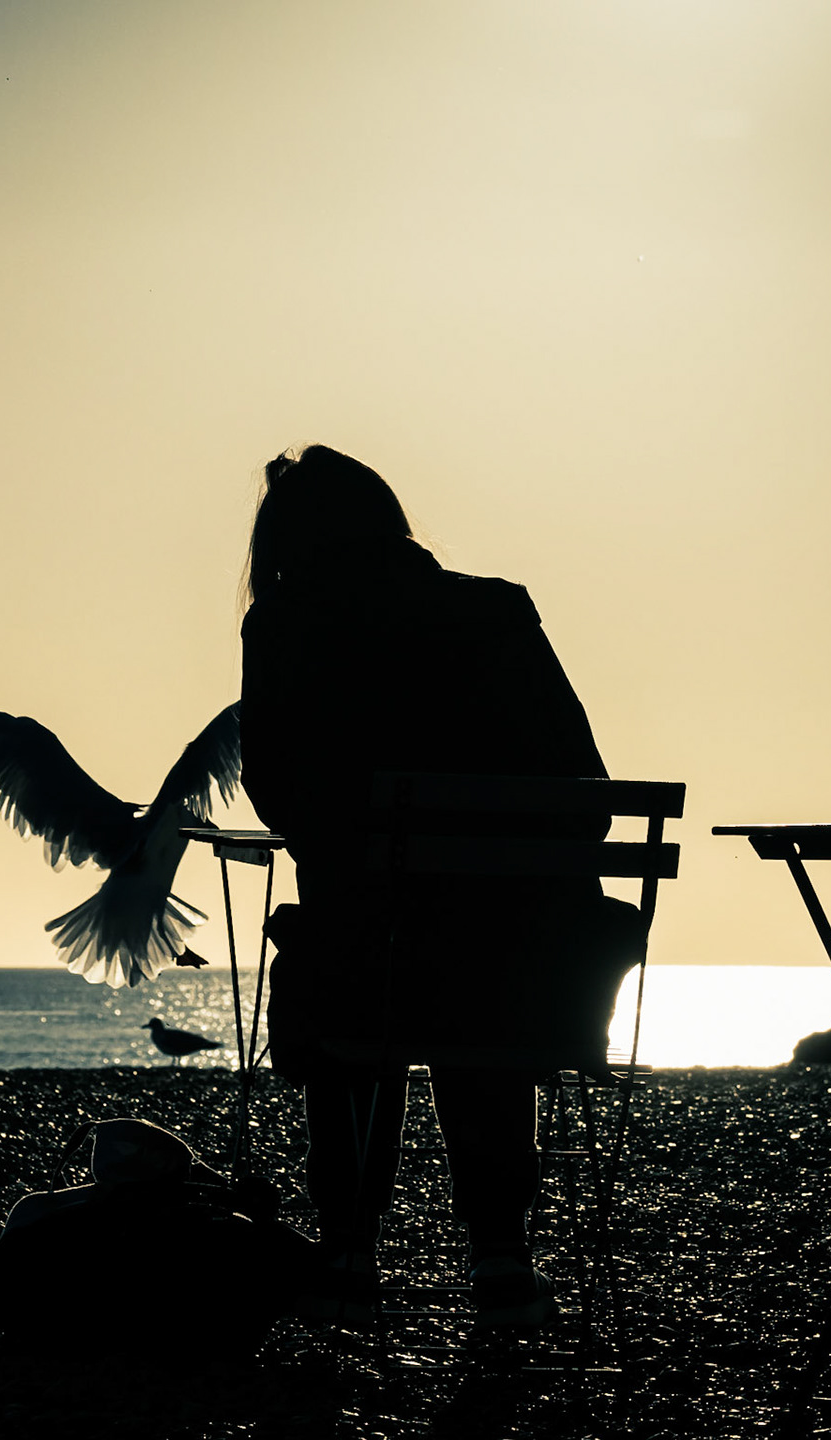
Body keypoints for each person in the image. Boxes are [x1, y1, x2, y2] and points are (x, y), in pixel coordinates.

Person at [239, 445, 637, 1329]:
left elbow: (273, 788)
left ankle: (347, 1247)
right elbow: (588, 787)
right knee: (477, 975)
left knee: (362, 974)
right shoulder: (496, 612)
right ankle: (501, 1253)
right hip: (526, 968)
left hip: (368, 959)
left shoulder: (286, 623)